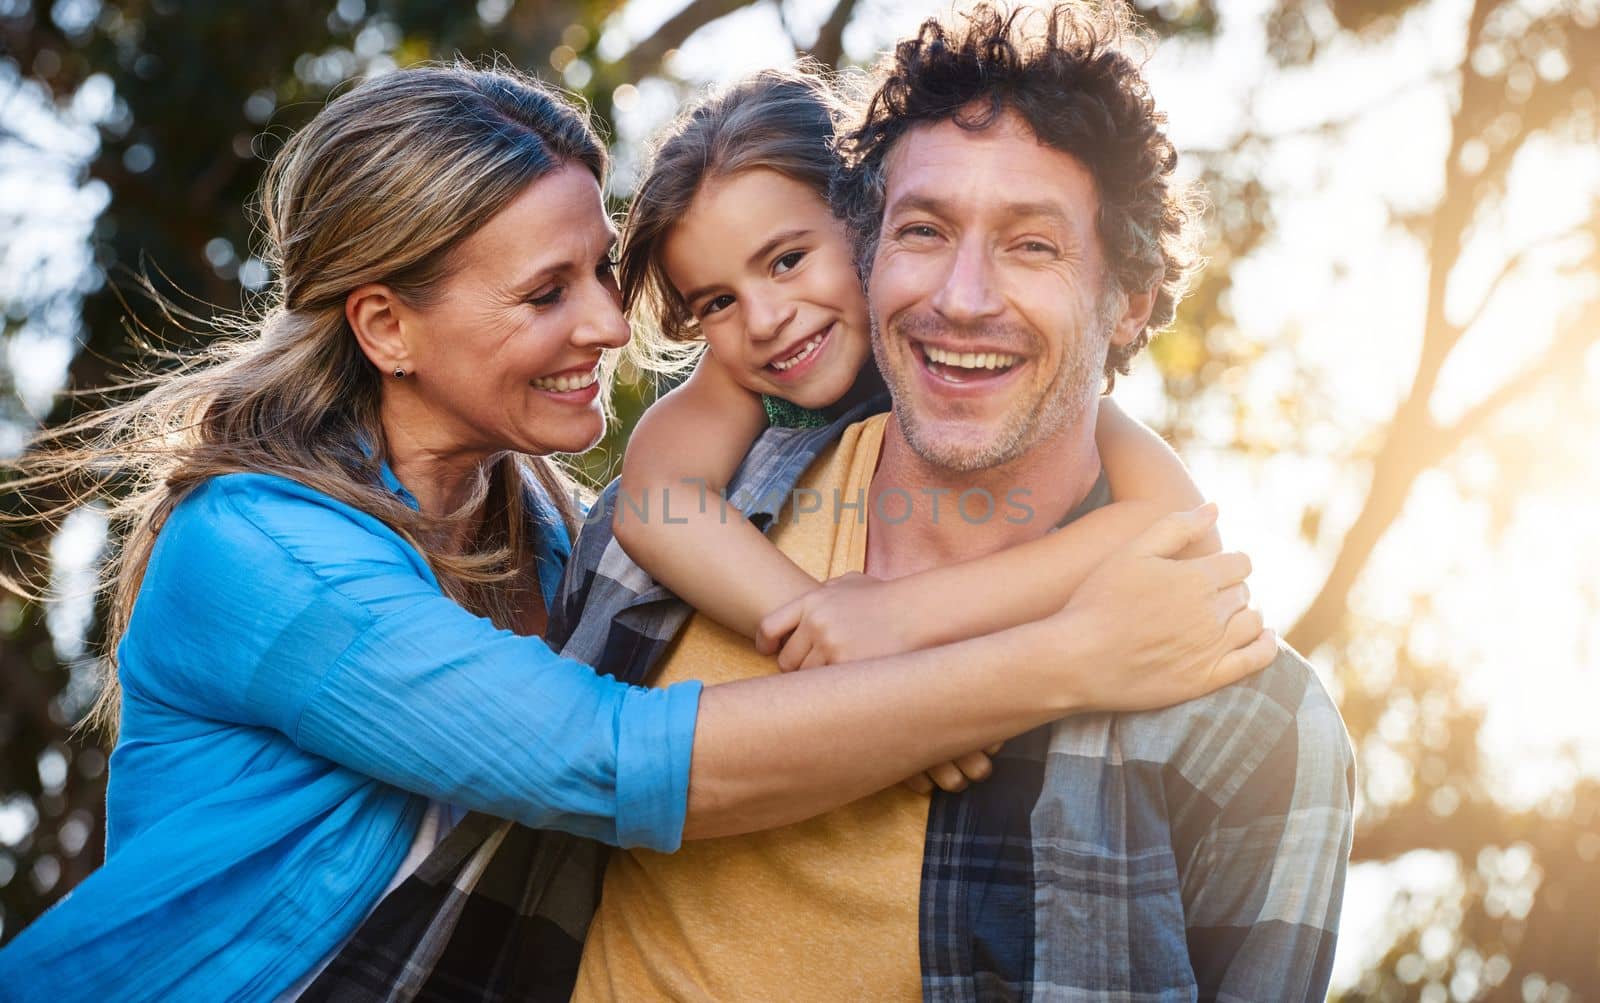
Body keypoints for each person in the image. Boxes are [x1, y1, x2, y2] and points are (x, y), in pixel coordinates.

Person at [0, 60, 1275, 1001]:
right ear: (386, 328)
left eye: (603, 274)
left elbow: (1154, 501)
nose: (615, 329)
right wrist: (1048, 663)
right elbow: (607, 761)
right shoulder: (262, 552)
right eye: (547, 291)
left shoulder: (553, 536)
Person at [560, 4, 1356, 1000]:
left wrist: (898, 620)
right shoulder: (677, 525)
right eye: (925, 230)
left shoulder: (1249, 726)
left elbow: (1175, 532)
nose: (964, 297)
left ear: (1133, 298)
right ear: (872, 244)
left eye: (1031, 246)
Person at [613, 65, 1239, 793]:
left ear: (867, 226)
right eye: (716, 301)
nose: (763, 317)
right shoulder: (745, 375)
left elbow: (1182, 528)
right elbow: (653, 503)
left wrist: (906, 617)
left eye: (788, 260)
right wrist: (863, 665)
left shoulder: (1003, 368)